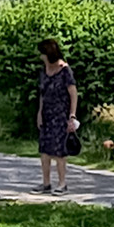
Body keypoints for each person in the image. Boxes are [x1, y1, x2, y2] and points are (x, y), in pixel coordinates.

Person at [35, 39, 79, 195]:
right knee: (44, 150)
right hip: (47, 114)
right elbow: (42, 93)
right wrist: (40, 112)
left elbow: (73, 94)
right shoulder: (44, 71)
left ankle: (62, 184)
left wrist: (72, 115)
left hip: (61, 115)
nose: (40, 57)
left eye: (42, 54)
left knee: (59, 150)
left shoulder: (65, 70)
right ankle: (46, 183)